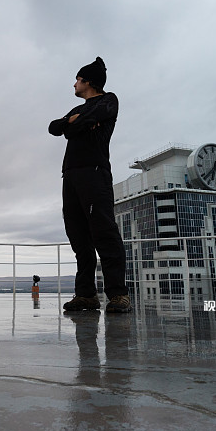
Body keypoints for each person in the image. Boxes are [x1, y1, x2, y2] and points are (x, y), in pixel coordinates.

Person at [48, 56, 132, 313]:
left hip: (95, 174)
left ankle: (118, 295)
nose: (74, 84)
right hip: (71, 175)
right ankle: (86, 295)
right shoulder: (79, 110)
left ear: (88, 81)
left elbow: (76, 125)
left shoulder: (109, 100)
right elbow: (54, 128)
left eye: (77, 79)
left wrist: (73, 124)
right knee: (78, 236)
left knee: (104, 232)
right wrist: (72, 124)